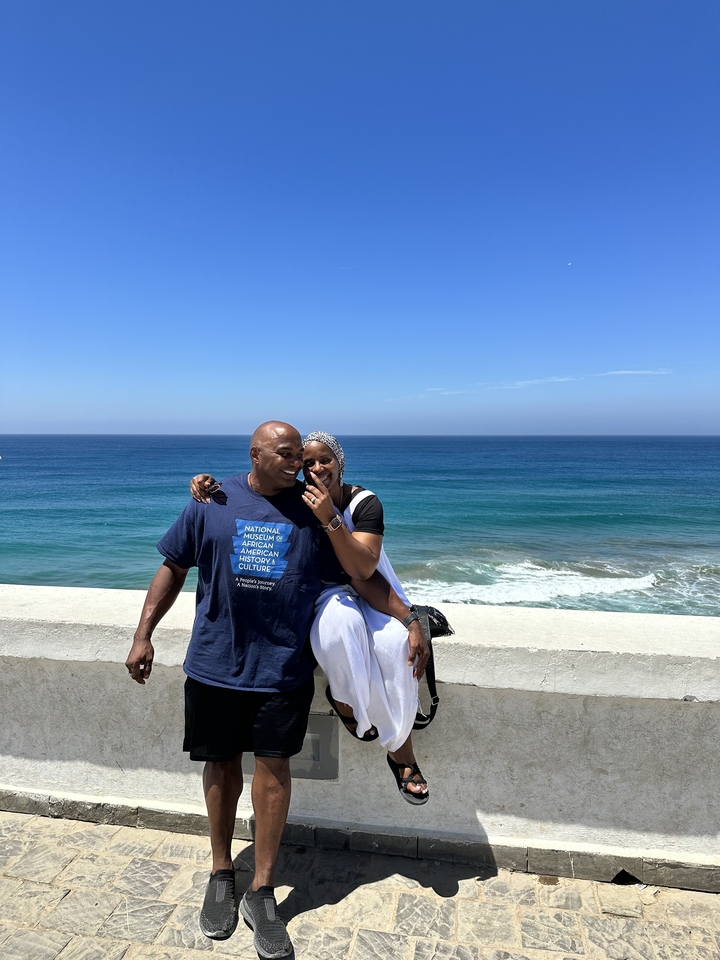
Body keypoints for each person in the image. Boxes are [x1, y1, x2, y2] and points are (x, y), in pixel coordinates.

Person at [125, 421, 321, 958]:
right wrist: (143, 635)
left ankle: (261, 890)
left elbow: (359, 563)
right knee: (220, 765)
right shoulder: (211, 500)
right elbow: (172, 566)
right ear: (255, 455)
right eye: (285, 454)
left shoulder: (316, 506)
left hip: (282, 667)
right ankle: (221, 872)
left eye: (299, 455)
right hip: (214, 664)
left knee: (275, 771)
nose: (297, 463)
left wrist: (404, 617)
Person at [191, 431, 431, 804]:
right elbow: (253, 491)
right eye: (308, 463)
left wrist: (411, 619)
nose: (317, 468)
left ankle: (401, 750)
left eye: (326, 460)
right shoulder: (298, 500)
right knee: (343, 628)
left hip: (370, 587)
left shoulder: (363, 504)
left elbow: (363, 572)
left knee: (394, 645)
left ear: (340, 462)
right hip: (327, 594)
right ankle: (347, 701)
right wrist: (209, 484)